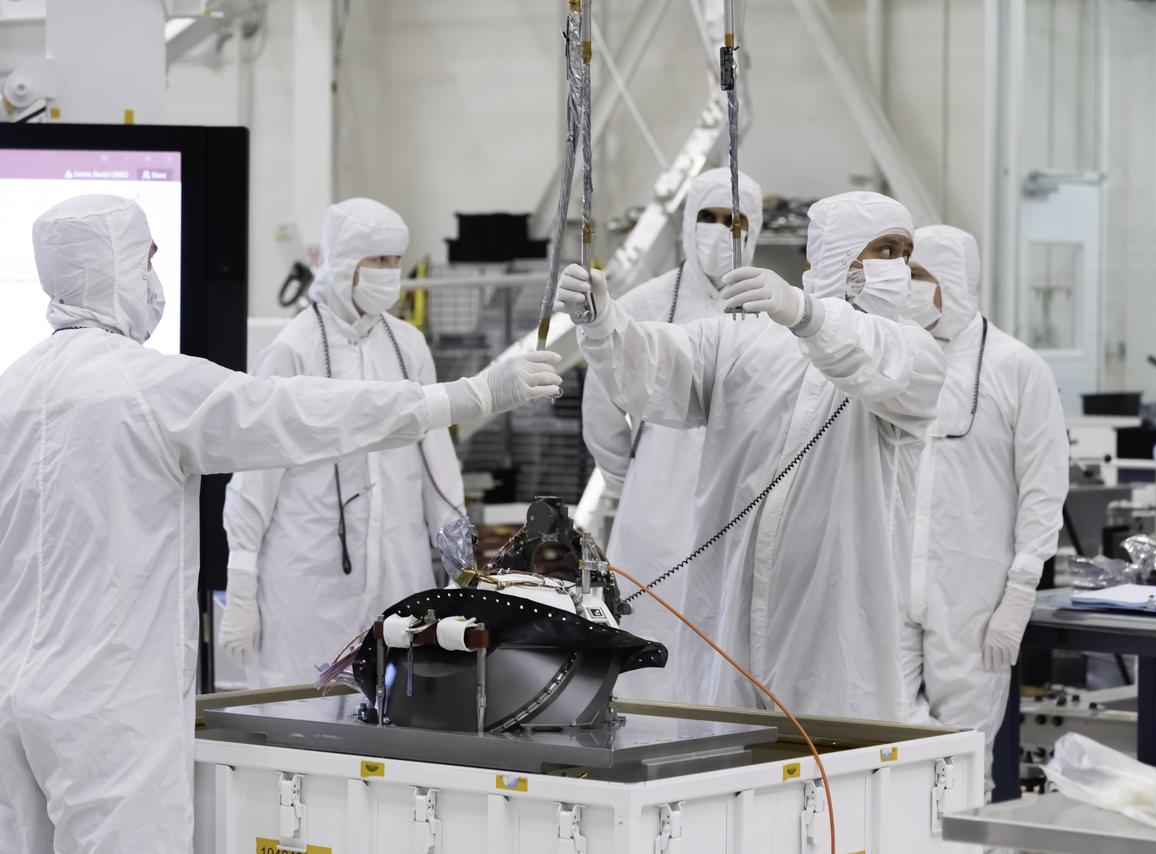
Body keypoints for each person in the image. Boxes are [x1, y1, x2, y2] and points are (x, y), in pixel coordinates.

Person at [0, 194, 561, 852]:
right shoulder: (146, 387)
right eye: (148, 260)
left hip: (18, 693)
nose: (156, 279)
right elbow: (294, 415)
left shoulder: (15, 387)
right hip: (110, 703)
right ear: (116, 270)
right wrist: (472, 395)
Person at [557, 191, 945, 721]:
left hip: (833, 624)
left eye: (905, 252)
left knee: (827, 769)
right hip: (728, 606)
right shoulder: (742, 336)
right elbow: (655, 371)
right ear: (834, 255)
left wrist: (805, 313)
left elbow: (876, 360)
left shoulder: (910, 350)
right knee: (719, 760)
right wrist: (603, 324)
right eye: (882, 250)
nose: (897, 267)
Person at [219, 198, 467, 695]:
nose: (390, 274)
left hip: (399, 577)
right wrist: (241, 580)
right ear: (345, 264)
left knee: (397, 724)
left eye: (396, 261)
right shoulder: (295, 347)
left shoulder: (407, 345)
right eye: (377, 261)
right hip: (310, 580)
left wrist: (461, 563)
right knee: (305, 719)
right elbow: (255, 471)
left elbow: (438, 466)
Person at [583, 168, 763, 700]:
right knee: (649, 660)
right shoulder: (644, 304)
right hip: (654, 517)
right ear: (687, 221)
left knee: (730, 656)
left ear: (751, 229)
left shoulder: (770, 311)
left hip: (740, 504)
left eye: (733, 220)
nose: (718, 231)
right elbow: (601, 410)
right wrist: (634, 485)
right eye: (707, 217)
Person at [897, 224, 1068, 785]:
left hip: (972, 599)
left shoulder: (1017, 368)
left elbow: (1044, 487)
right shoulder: (891, 358)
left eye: (918, 275)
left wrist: (1020, 594)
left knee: (964, 760)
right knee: (884, 743)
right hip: (891, 588)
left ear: (953, 281)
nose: (907, 287)